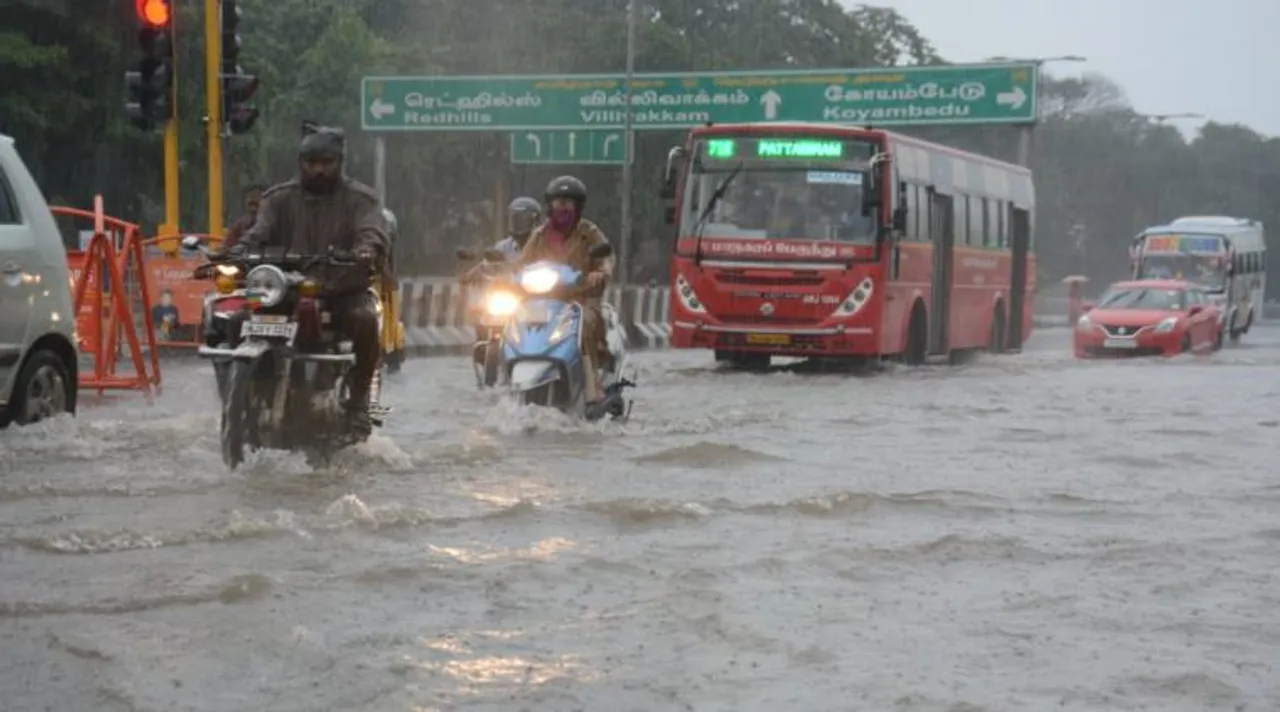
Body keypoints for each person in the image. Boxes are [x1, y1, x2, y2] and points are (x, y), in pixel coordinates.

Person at [234, 125, 389, 421]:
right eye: (311, 163)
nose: (318, 169)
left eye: (326, 163)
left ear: (339, 163)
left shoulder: (361, 200)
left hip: (340, 289)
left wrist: (366, 249)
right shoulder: (278, 198)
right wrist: (242, 248)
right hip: (285, 288)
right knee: (235, 318)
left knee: (366, 320)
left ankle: (358, 400)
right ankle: (249, 390)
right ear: (300, 163)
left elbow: (371, 231)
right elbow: (258, 232)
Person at [515, 175, 612, 407]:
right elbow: (521, 264)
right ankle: (504, 383)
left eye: (568, 202)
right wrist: (509, 277)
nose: (563, 207)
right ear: (550, 205)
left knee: (585, 326)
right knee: (513, 324)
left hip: (581, 300)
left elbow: (606, 260)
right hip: (543, 303)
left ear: (578, 206)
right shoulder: (538, 236)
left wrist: (599, 273)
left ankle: (593, 387)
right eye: (558, 202)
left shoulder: (589, 232)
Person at [493, 196, 543, 261]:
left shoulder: (544, 246)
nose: (516, 223)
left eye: (521, 219)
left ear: (535, 221)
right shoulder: (503, 248)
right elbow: (493, 267)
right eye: (513, 218)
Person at [222, 184, 266, 251]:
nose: (253, 209)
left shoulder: (274, 224)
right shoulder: (239, 225)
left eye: (256, 205)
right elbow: (226, 248)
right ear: (245, 203)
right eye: (251, 204)